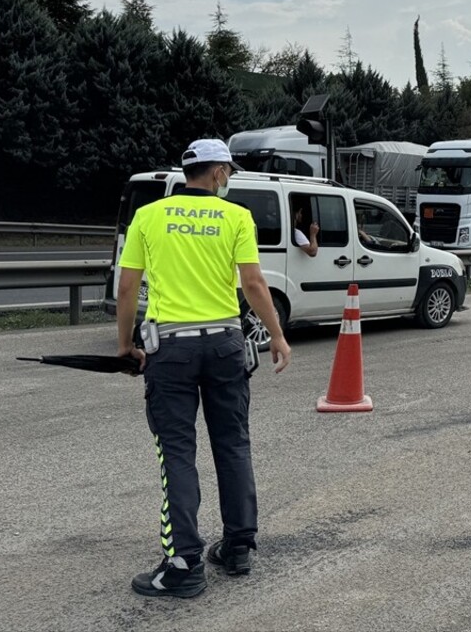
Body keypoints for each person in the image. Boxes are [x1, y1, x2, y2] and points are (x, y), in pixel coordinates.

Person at [116, 138, 292, 599]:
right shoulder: (236, 217)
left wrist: (124, 346)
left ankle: (184, 564)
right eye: (228, 173)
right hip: (226, 345)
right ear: (216, 173)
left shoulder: (149, 216)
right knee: (233, 444)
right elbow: (253, 282)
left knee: (176, 451)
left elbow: (128, 287)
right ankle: (236, 547)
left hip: (170, 348)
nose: (228, 179)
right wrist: (276, 334)